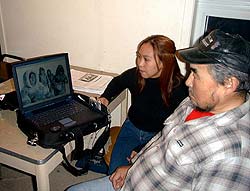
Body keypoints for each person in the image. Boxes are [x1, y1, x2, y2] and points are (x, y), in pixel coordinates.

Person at [67, 29, 250, 191]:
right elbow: (164, 138)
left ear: (228, 83)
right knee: (108, 173)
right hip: (135, 166)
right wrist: (132, 166)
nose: (188, 81)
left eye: (195, 73)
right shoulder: (193, 102)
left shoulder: (233, 156)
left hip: (144, 170)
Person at [87, 35, 188, 175]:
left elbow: (178, 129)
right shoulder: (137, 75)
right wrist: (105, 97)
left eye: (146, 59)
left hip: (158, 138)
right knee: (115, 174)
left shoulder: (180, 88)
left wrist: (143, 148)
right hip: (131, 129)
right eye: (138, 56)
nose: (139, 63)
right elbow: (117, 82)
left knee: (142, 178)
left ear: (164, 62)